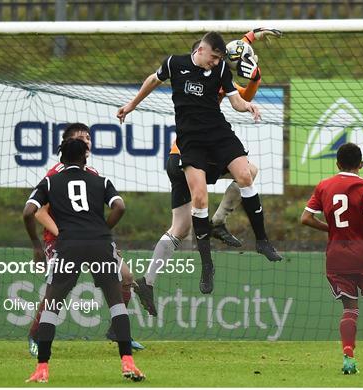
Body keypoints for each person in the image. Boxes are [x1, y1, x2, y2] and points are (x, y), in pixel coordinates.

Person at [118, 31, 281, 298]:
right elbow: (229, 56)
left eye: (219, 60)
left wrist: (252, 41)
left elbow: (239, 83)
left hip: (199, 149)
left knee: (182, 226)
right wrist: (131, 105)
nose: (216, 63)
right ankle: (216, 226)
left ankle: (147, 282)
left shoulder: (217, 73)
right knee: (210, 196)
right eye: (214, 58)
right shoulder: (180, 65)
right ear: (201, 52)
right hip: (185, 153)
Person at [23, 137, 145, 382]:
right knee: (116, 303)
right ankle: (128, 363)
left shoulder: (50, 180)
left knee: (52, 306)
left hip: (68, 245)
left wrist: (37, 245)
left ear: (61, 158)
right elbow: (119, 206)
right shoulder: (101, 180)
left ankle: (42, 368)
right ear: (85, 158)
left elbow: (29, 211)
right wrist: (102, 228)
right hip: (100, 244)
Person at [300, 142, 363, 375]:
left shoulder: (324, 186)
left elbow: (305, 218)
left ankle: (349, 359)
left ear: (337, 164)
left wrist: (331, 229)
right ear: (361, 164)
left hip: (337, 255)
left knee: (350, 309)